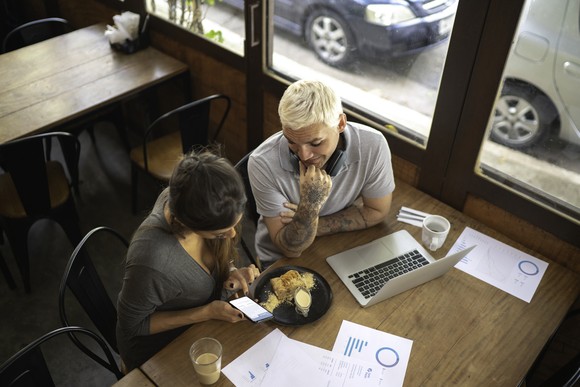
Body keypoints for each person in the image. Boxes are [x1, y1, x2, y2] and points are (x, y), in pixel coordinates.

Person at [116, 148, 261, 372]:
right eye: (221, 233)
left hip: (202, 327)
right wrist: (206, 312)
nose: (233, 236)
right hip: (158, 353)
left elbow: (212, 257)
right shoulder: (153, 261)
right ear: (190, 224)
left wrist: (230, 271)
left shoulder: (188, 193)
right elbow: (132, 325)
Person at [248, 79, 395, 266]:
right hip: (281, 260)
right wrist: (311, 202)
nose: (304, 155)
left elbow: (377, 211)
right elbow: (290, 248)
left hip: (338, 245)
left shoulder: (373, 144)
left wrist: (309, 221)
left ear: (340, 124)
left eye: (315, 143)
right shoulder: (262, 163)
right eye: (291, 141)